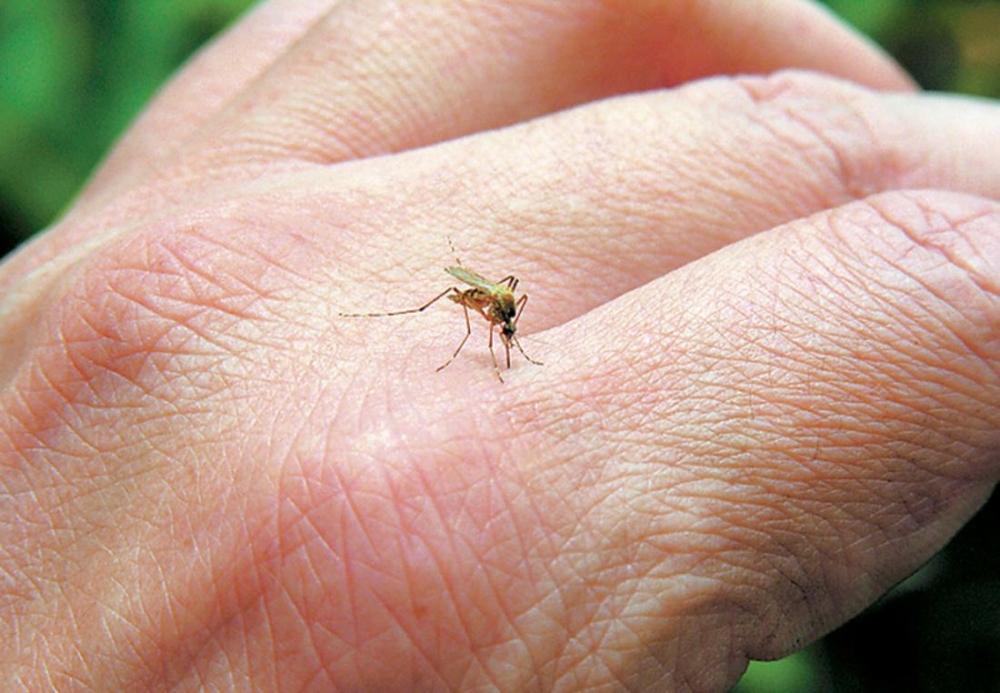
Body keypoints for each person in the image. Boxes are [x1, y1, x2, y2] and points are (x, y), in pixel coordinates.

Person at [1, 1, 998, 690]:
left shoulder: (504, 304)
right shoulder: (472, 302)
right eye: (502, 319)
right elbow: (472, 296)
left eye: (504, 319)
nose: (501, 321)